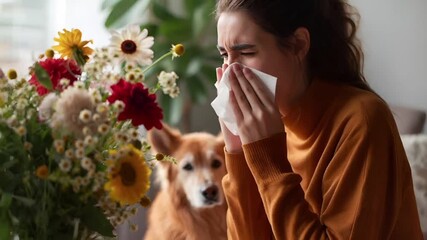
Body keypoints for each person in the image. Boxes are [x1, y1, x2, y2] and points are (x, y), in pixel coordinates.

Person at [214, 0, 423, 239]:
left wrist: (268, 160)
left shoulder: (362, 120)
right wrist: (238, 152)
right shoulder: (273, 126)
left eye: (246, 52)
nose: (231, 71)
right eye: (224, 55)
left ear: (298, 45)